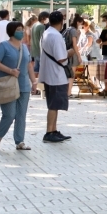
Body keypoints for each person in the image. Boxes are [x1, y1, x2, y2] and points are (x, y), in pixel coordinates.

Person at [0, 20, 36, 150]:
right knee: (10, 114)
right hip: (8, 84)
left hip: (23, 85)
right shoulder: (4, 46)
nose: (21, 32)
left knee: (21, 115)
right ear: (11, 32)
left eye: (22, 29)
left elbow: (29, 65)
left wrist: (34, 81)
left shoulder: (24, 47)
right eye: (18, 30)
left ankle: (20, 141)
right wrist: (10, 71)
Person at [38, 10, 71, 142]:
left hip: (49, 73)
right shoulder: (56, 36)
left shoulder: (47, 33)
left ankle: (53, 130)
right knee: (53, 105)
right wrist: (71, 52)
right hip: (56, 75)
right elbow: (61, 58)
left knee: (54, 104)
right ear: (61, 22)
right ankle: (49, 132)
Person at [29, 12, 49, 93]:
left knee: (36, 70)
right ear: (44, 18)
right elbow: (43, 39)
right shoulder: (41, 26)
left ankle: (34, 87)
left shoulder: (34, 25)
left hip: (34, 50)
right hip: (40, 51)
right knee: (41, 71)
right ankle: (40, 89)